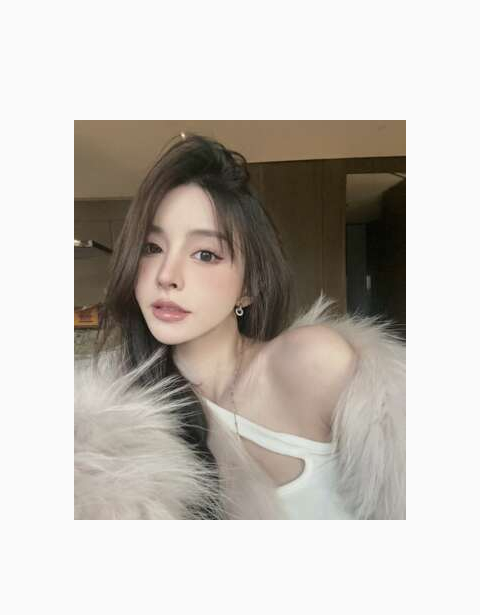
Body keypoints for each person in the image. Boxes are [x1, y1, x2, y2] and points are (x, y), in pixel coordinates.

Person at [74, 133, 405, 520]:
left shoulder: (309, 363)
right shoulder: (111, 425)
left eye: (205, 254)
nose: (166, 275)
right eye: (152, 248)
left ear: (248, 288)